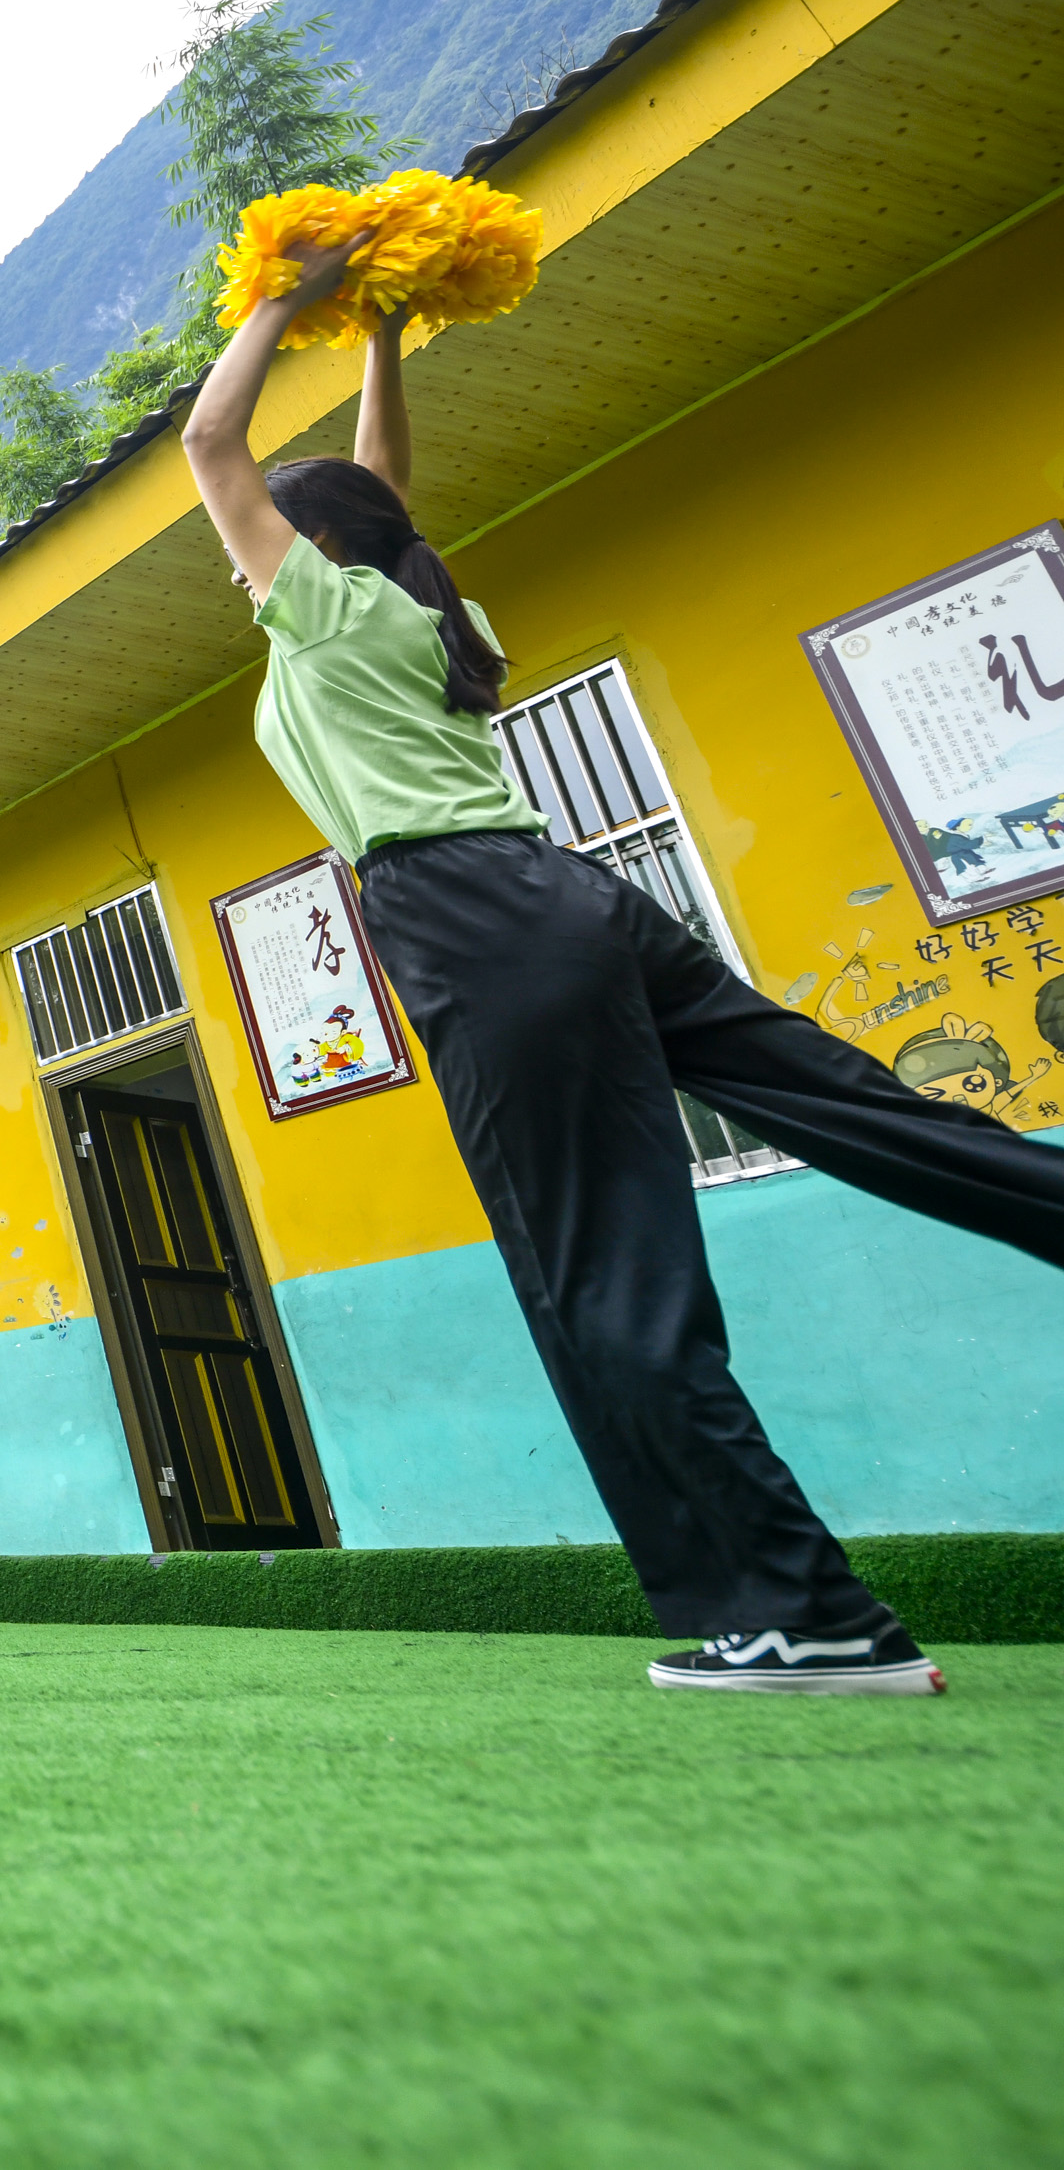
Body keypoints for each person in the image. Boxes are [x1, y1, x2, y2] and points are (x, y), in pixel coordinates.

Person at [177, 244, 1064, 1693]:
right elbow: (381, 485)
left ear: (313, 545)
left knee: (598, 1278)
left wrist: (287, 289)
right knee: (858, 1107)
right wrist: (381, 332)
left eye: (270, 531)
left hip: (470, 917)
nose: (240, 551)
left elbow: (213, 440)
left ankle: (810, 1616)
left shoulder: (329, 611)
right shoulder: (415, 605)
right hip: (574, 896)